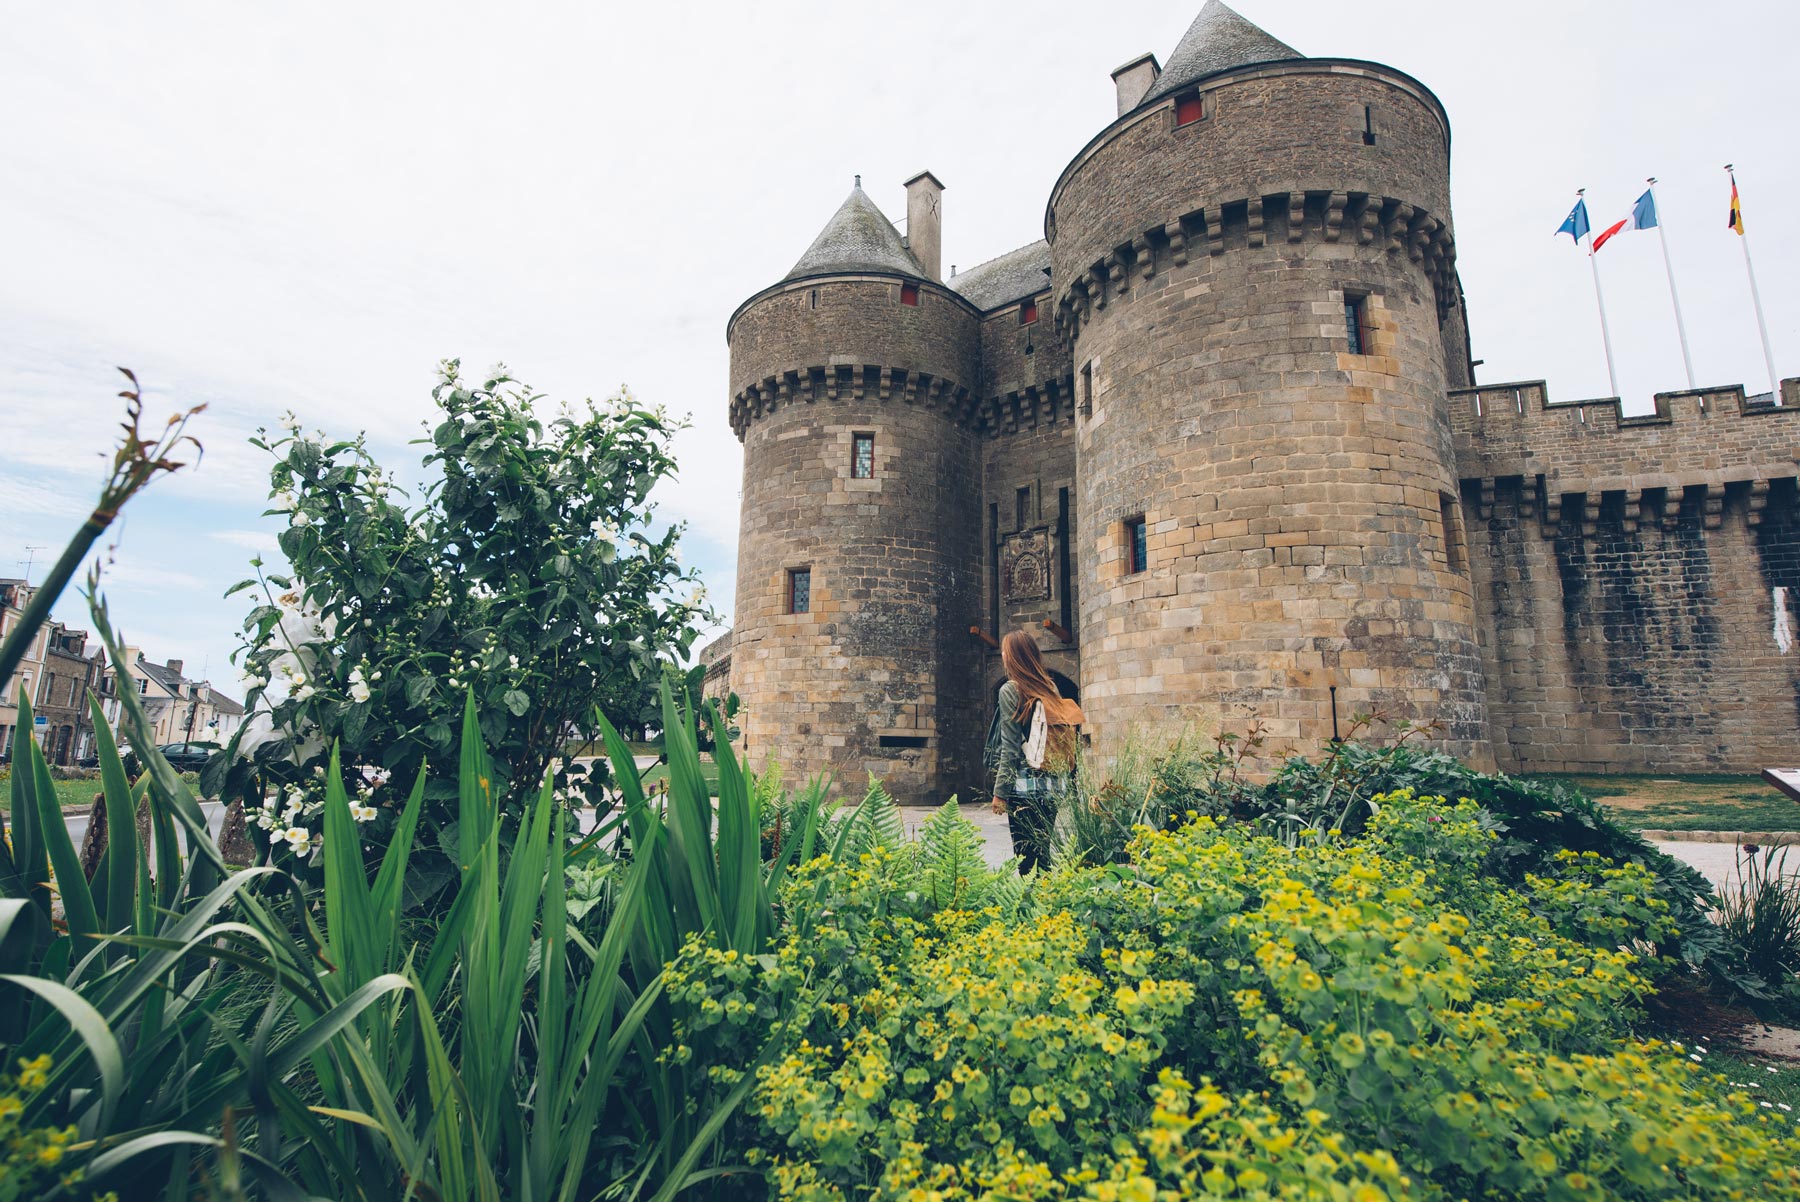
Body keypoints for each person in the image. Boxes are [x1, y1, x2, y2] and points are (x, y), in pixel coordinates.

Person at [983, 630, 1083, 873]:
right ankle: (1049, 903)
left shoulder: (1010, 690)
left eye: (1006, 650)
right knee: (1042, 852)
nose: (1003, 654)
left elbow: (1010, 748)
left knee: (1027, 860)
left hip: (1024, 787)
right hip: (1052, 786)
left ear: (1013, 656)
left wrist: (1000, 793)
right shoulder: (1049, 688)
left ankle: (1036, 907)